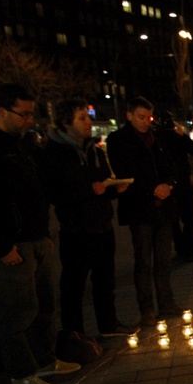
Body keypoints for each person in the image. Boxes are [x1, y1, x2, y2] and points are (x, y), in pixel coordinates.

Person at [0, 84, 80, 384]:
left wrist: (42, 233)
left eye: (32, 114)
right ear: (2, 111)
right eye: (24, 114)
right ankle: (21, 372)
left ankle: (45, 359)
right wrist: (1, 246)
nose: (29, 120)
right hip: (11, 244)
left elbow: (35, 191)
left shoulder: (21, 144)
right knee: (18, 310)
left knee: (44, 305)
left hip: (35, 238)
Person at [43, 98, 135, 339]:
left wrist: (115, 188)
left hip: (102, 224)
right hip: (76, 229)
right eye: (81, 118)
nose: (88, 123)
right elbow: (55, 191)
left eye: (88, 117)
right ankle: (74, 333)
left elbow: (102, 177)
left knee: (105, 280)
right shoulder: (55, 152)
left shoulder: (93, 149)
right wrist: (88, 188)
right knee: (74, 284)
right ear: (65, 123)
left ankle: (108, 325)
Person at [106, 96, 180, 327]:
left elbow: (170, 166)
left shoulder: (156, 138)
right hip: (140, 210)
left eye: (148, 117)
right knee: (143, 261)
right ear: (129, 115)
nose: (145, 122)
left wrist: (168, 185)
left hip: (164, 209)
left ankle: (166, 303)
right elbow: (124, 173)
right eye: (140, 117)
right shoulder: (118, 140)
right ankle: (146, 309)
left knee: (164, 260)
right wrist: (152, 190)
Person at [156, 113, 193, 264]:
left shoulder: (157, 138)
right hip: (180, 185)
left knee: (175, 221)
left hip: (172, 186)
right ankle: (190, 251)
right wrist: (183, 135)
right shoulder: (175, 137)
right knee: (187, 219)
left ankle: (181, 251)